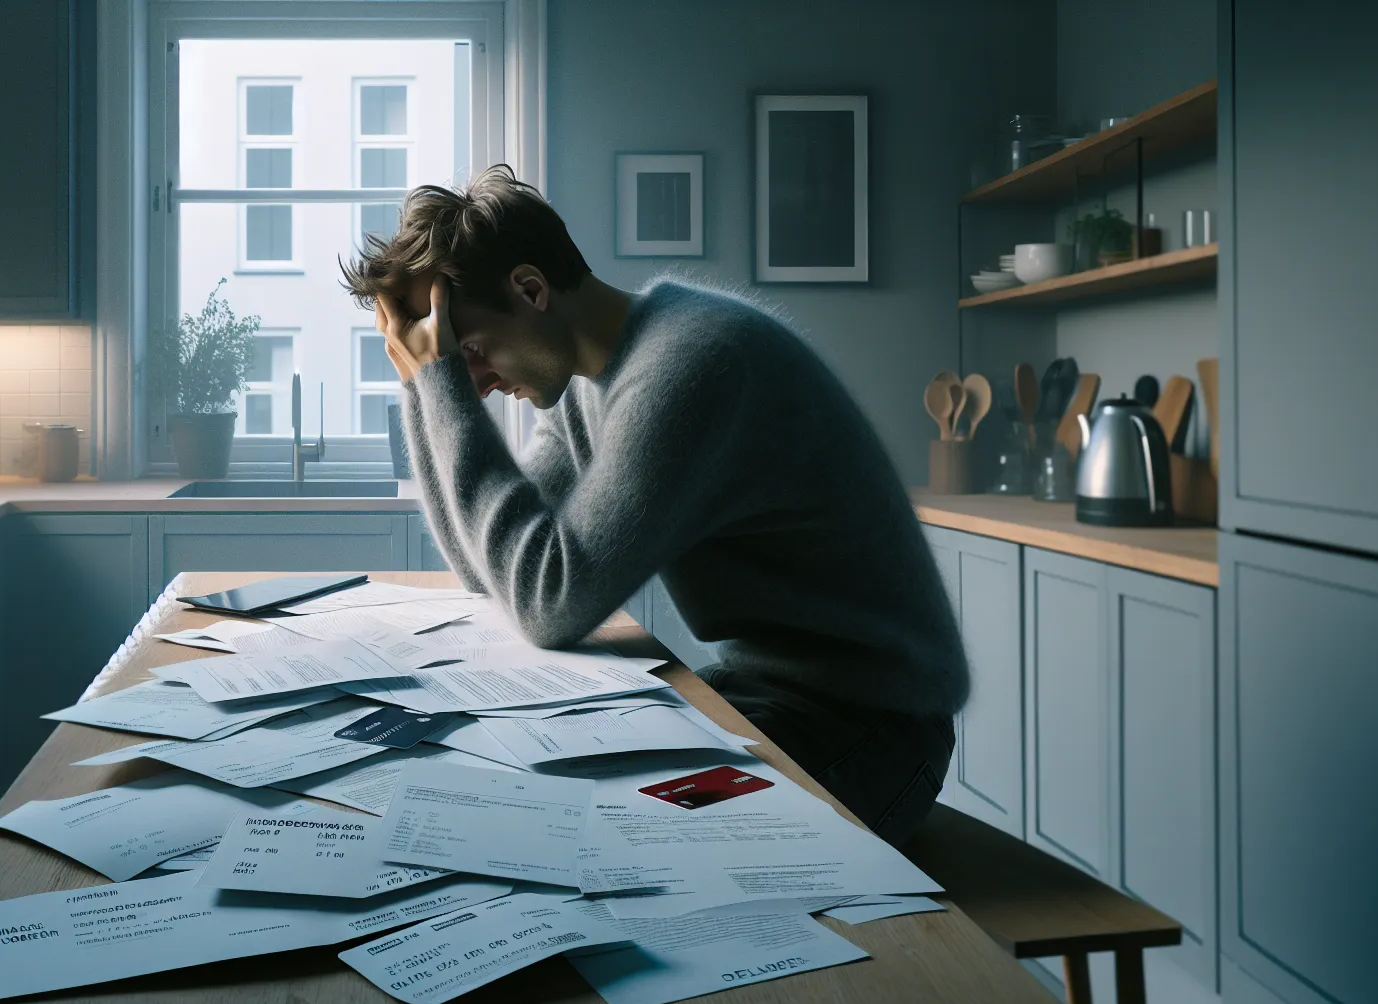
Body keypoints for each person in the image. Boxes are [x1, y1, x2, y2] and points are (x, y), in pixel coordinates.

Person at [341, 165, 967, 845]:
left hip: (873, 727)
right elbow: (486, 571)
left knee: (594, 840)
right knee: (529, 795)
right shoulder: (590, 381)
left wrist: (440, 388)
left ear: (530, 288)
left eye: (471, 354)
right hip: (770, 693)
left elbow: (548, 605)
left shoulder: (691, 363)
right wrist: (422, 386)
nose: (481, 387)